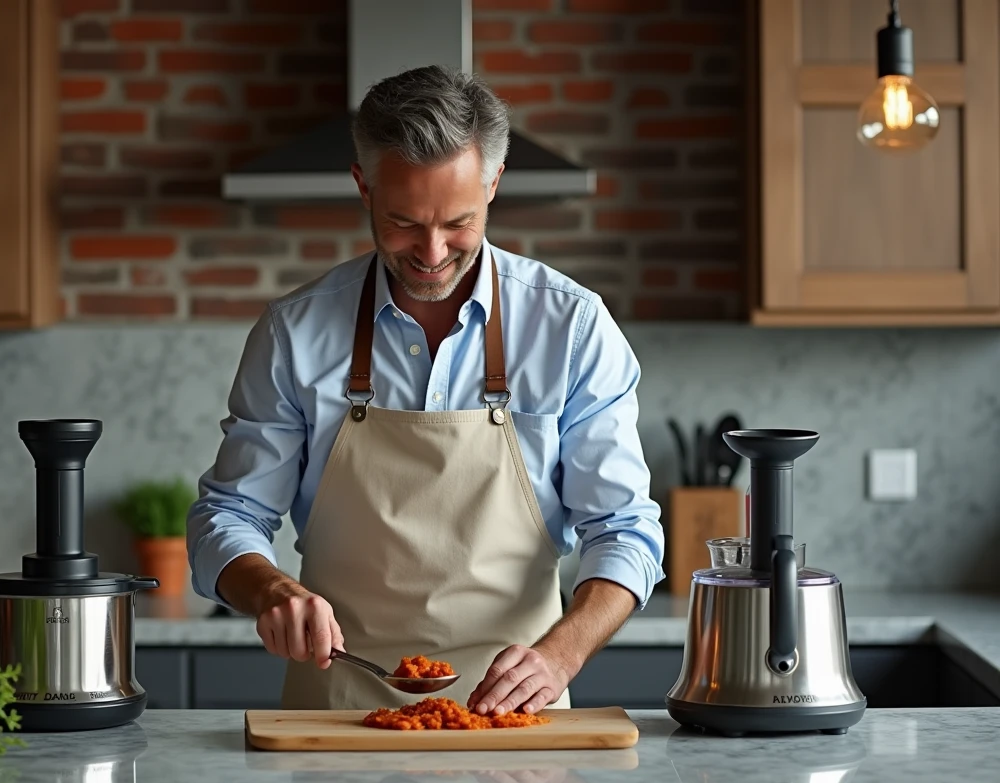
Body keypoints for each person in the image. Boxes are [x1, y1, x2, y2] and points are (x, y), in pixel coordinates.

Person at [187, 64, 664, 716]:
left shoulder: (572, 329)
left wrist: (562, 654)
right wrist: (271, 589)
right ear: (363, 187)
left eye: (457, 222)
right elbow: (228, 516)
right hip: (337, 716)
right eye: (405, 222)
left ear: (493, 184)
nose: (432, 251)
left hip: (516, 722)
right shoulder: (294, 333)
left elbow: (626, 529)